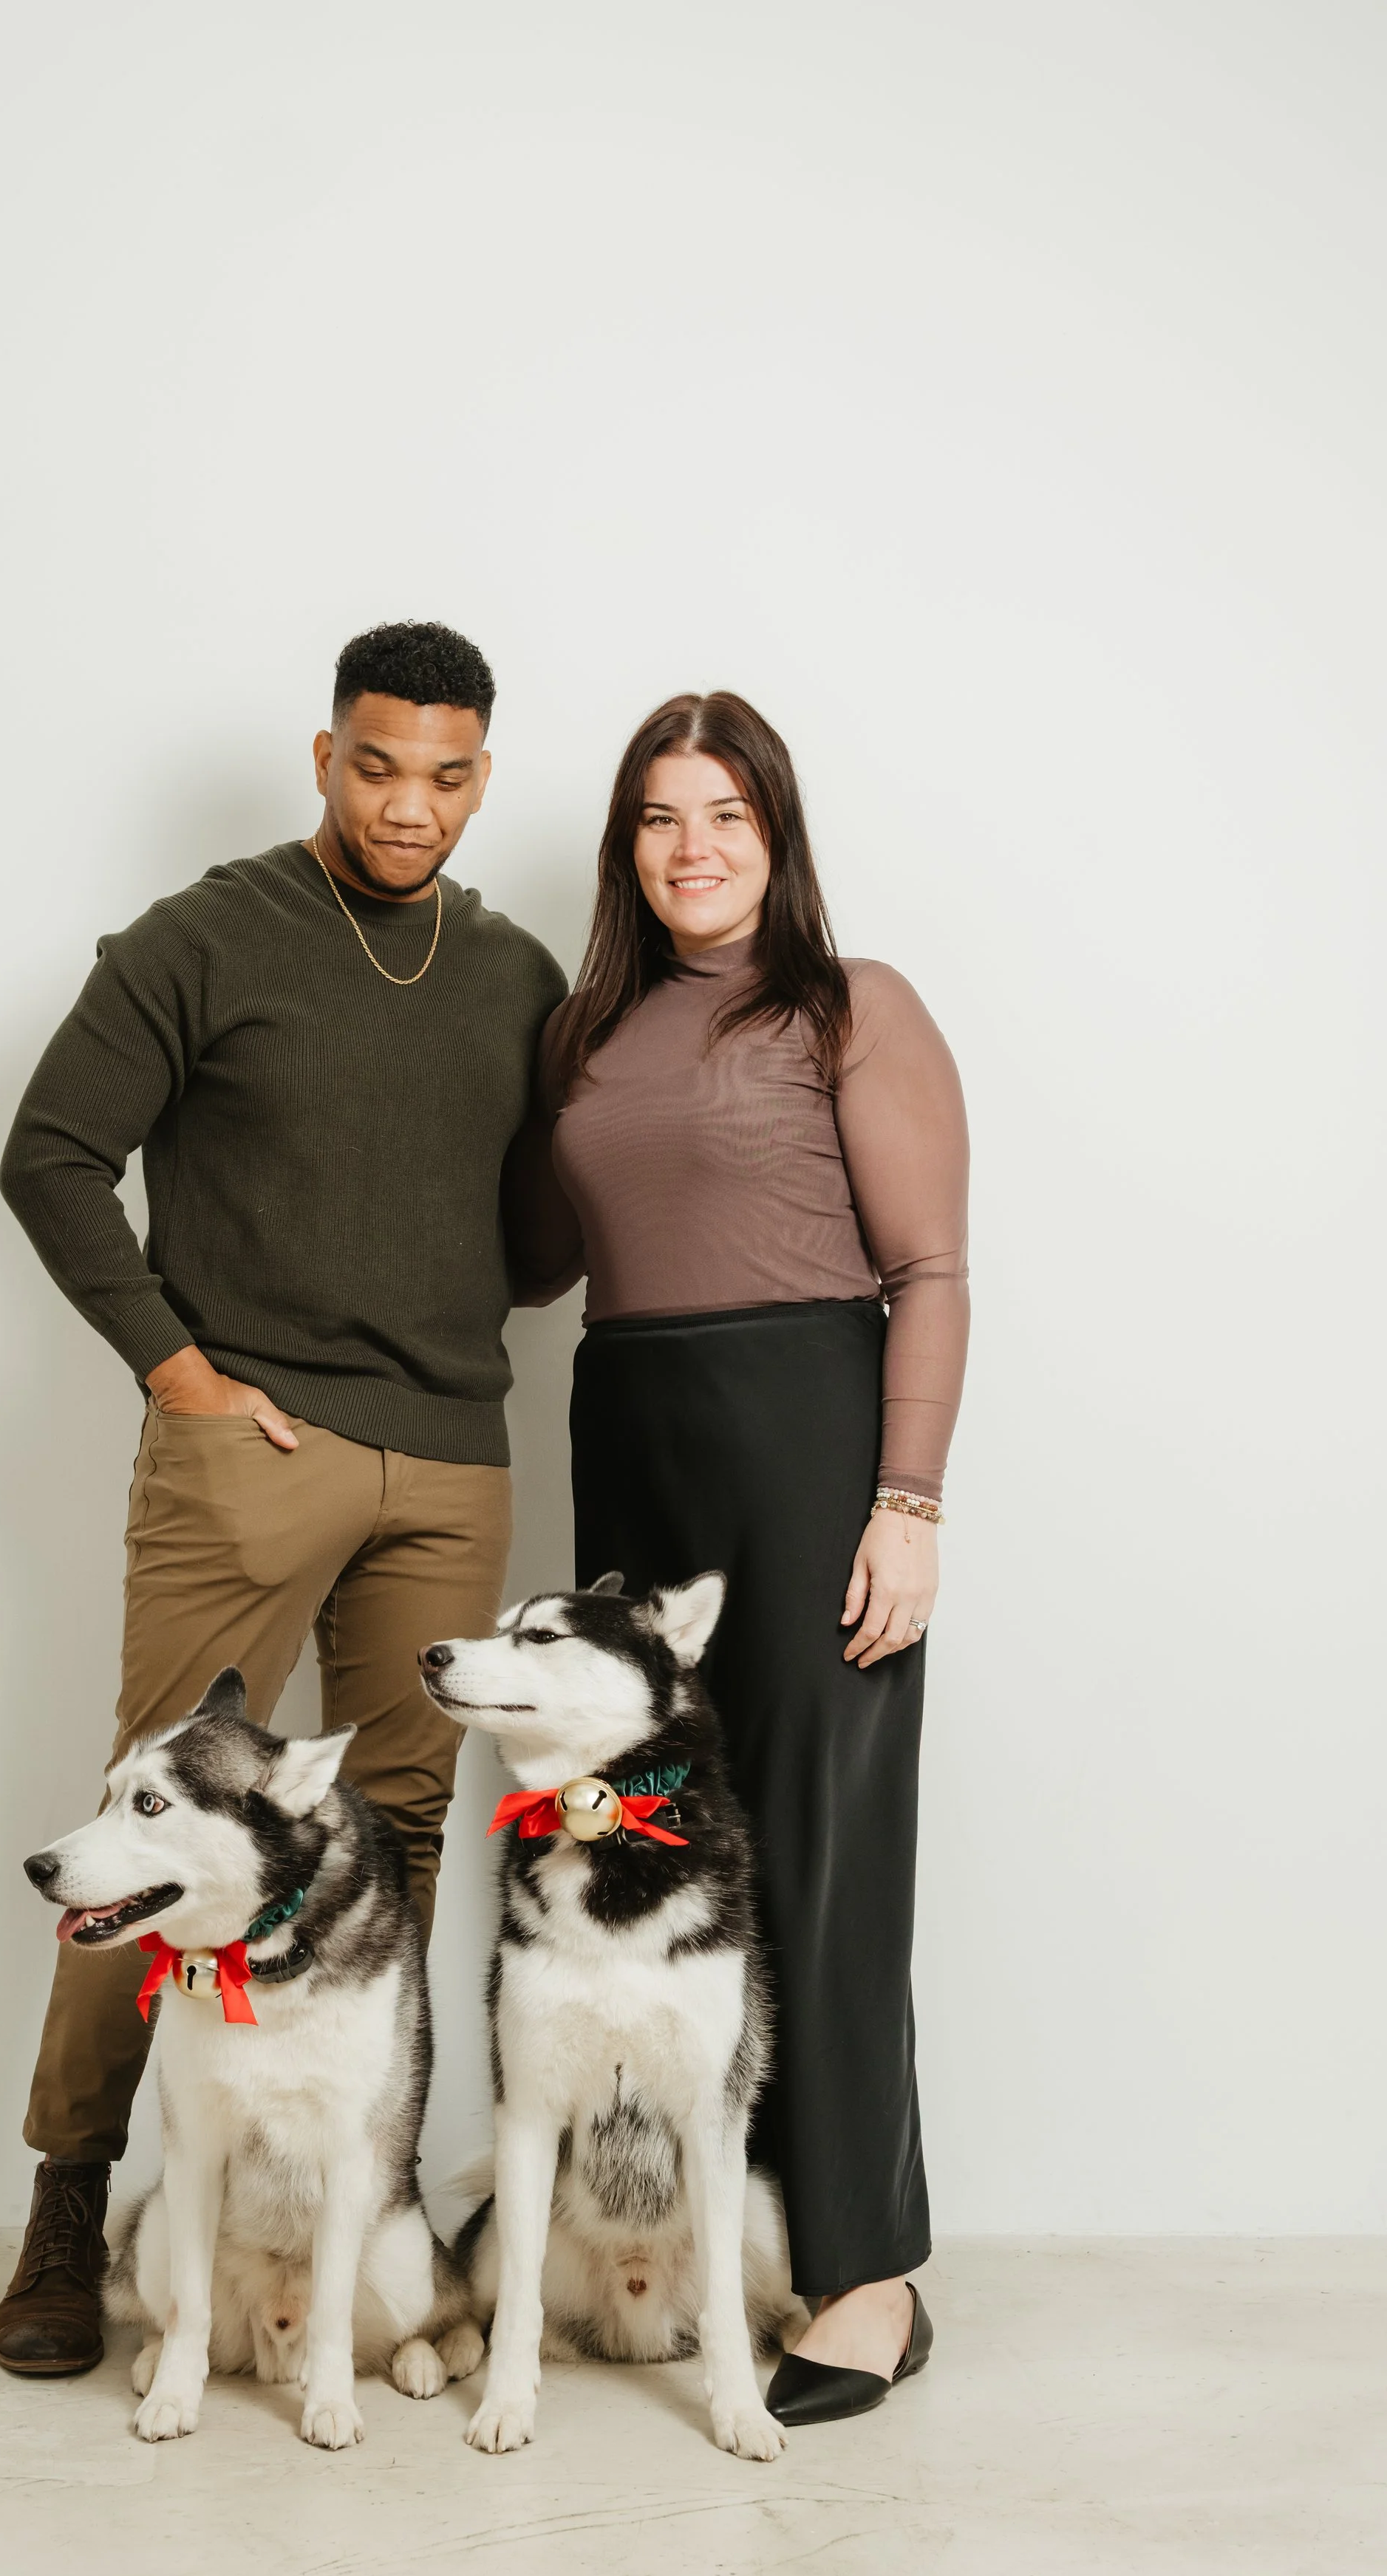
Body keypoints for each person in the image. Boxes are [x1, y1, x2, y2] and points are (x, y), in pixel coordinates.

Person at [0, 621, 566, 2377]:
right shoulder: (203, 937)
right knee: (158, 1842)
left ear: (484, 773)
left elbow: (533, 1240)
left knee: (379, 1857)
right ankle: (74, 2204)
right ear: (325, 757)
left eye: (449, 774)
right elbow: (51, 1156)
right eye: (377, 765)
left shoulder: (517, 974)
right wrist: (177, 1368)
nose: (411, 806)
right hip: (250, 1450)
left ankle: (357, 2215)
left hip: (449, 1460)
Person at [507, 690, 969, 2424]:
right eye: (655, 816)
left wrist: (904, 1506)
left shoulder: (852, 1010)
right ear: (623, 844)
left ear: (774, 837)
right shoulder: (579, 1032)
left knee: (816, 1851)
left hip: (804, 1438)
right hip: (628, 1433)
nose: (690, 848)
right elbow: (533, 1260)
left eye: (725, 815)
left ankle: (868, 2274)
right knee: (641, 1841)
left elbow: (927, 1270)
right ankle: (709, 2229)